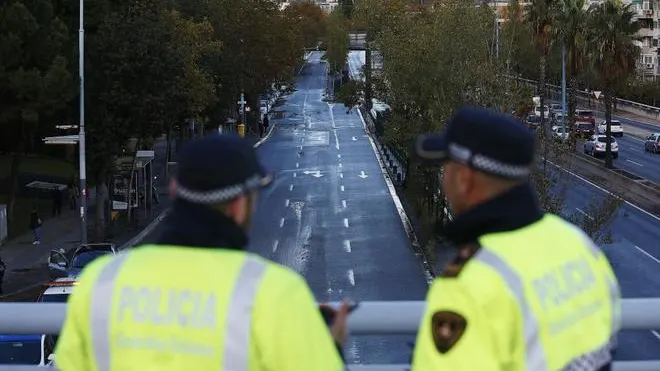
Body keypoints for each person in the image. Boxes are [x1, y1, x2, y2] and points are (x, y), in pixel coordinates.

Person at [54, 133, 349, 371]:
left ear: (173, 191)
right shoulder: (274, 293)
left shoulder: (100, 282)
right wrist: (329, 346)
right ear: (239, 206)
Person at [411, 106, 620, 371]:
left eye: (445, 169)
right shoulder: (578, 244)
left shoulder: (469, 285)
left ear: (463, 179)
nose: (443, 180)